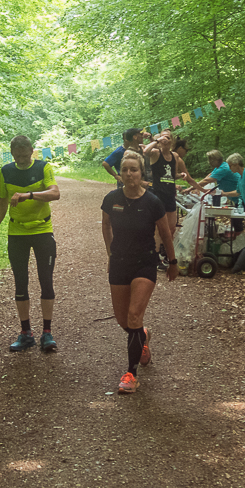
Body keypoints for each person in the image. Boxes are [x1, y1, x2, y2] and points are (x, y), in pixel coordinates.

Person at [101, 150, 178, 394]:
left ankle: (131, 374)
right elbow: (106, 226)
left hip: (145, 263)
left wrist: (173, 261)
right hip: (120, 263)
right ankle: (142, 336)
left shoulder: (153, 202)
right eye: (124, 170)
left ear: (141, 172)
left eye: (133, 170)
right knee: (125, 322)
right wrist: (110, 255)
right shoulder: (111, 199)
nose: (129, 174)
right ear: (120, 173)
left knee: (134, 316)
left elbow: (165, 233)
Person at [0, 136, 61, 352]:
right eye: (17, 155)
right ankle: (25, 332)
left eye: (24, 154)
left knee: (46, 280)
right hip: (17, 231)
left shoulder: (43, 167)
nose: (21, 158)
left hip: (42, 230)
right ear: (11, 153)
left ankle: (47, 333)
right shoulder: (6, 171)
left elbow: (55, 193)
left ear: (31, 150)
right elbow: (3, 200)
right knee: (20, 282)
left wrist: (28, 195)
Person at [143, 131, 197, 241]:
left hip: (170, 194)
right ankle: (157, 254)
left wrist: (180, 175)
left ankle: (167, 253)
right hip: (158, 193)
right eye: (163, 137)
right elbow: (145, 151)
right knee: (159, 228)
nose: (165, 139)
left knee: (171, 228)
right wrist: (157, 140)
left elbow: (172, 176)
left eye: (167, 137)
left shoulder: (175, 156)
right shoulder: (156, 153)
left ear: (171, 141)